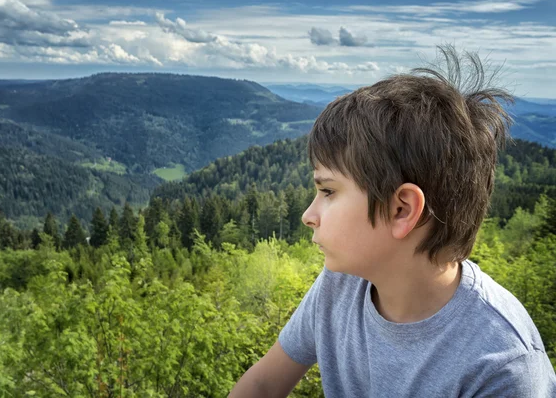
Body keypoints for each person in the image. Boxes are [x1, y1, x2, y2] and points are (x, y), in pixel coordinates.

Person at [228, 45, 556, 397]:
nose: (309, 216)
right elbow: (262, 385)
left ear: (401, 210)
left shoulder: (503, 368)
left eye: (327, 192)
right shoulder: (340, 286)